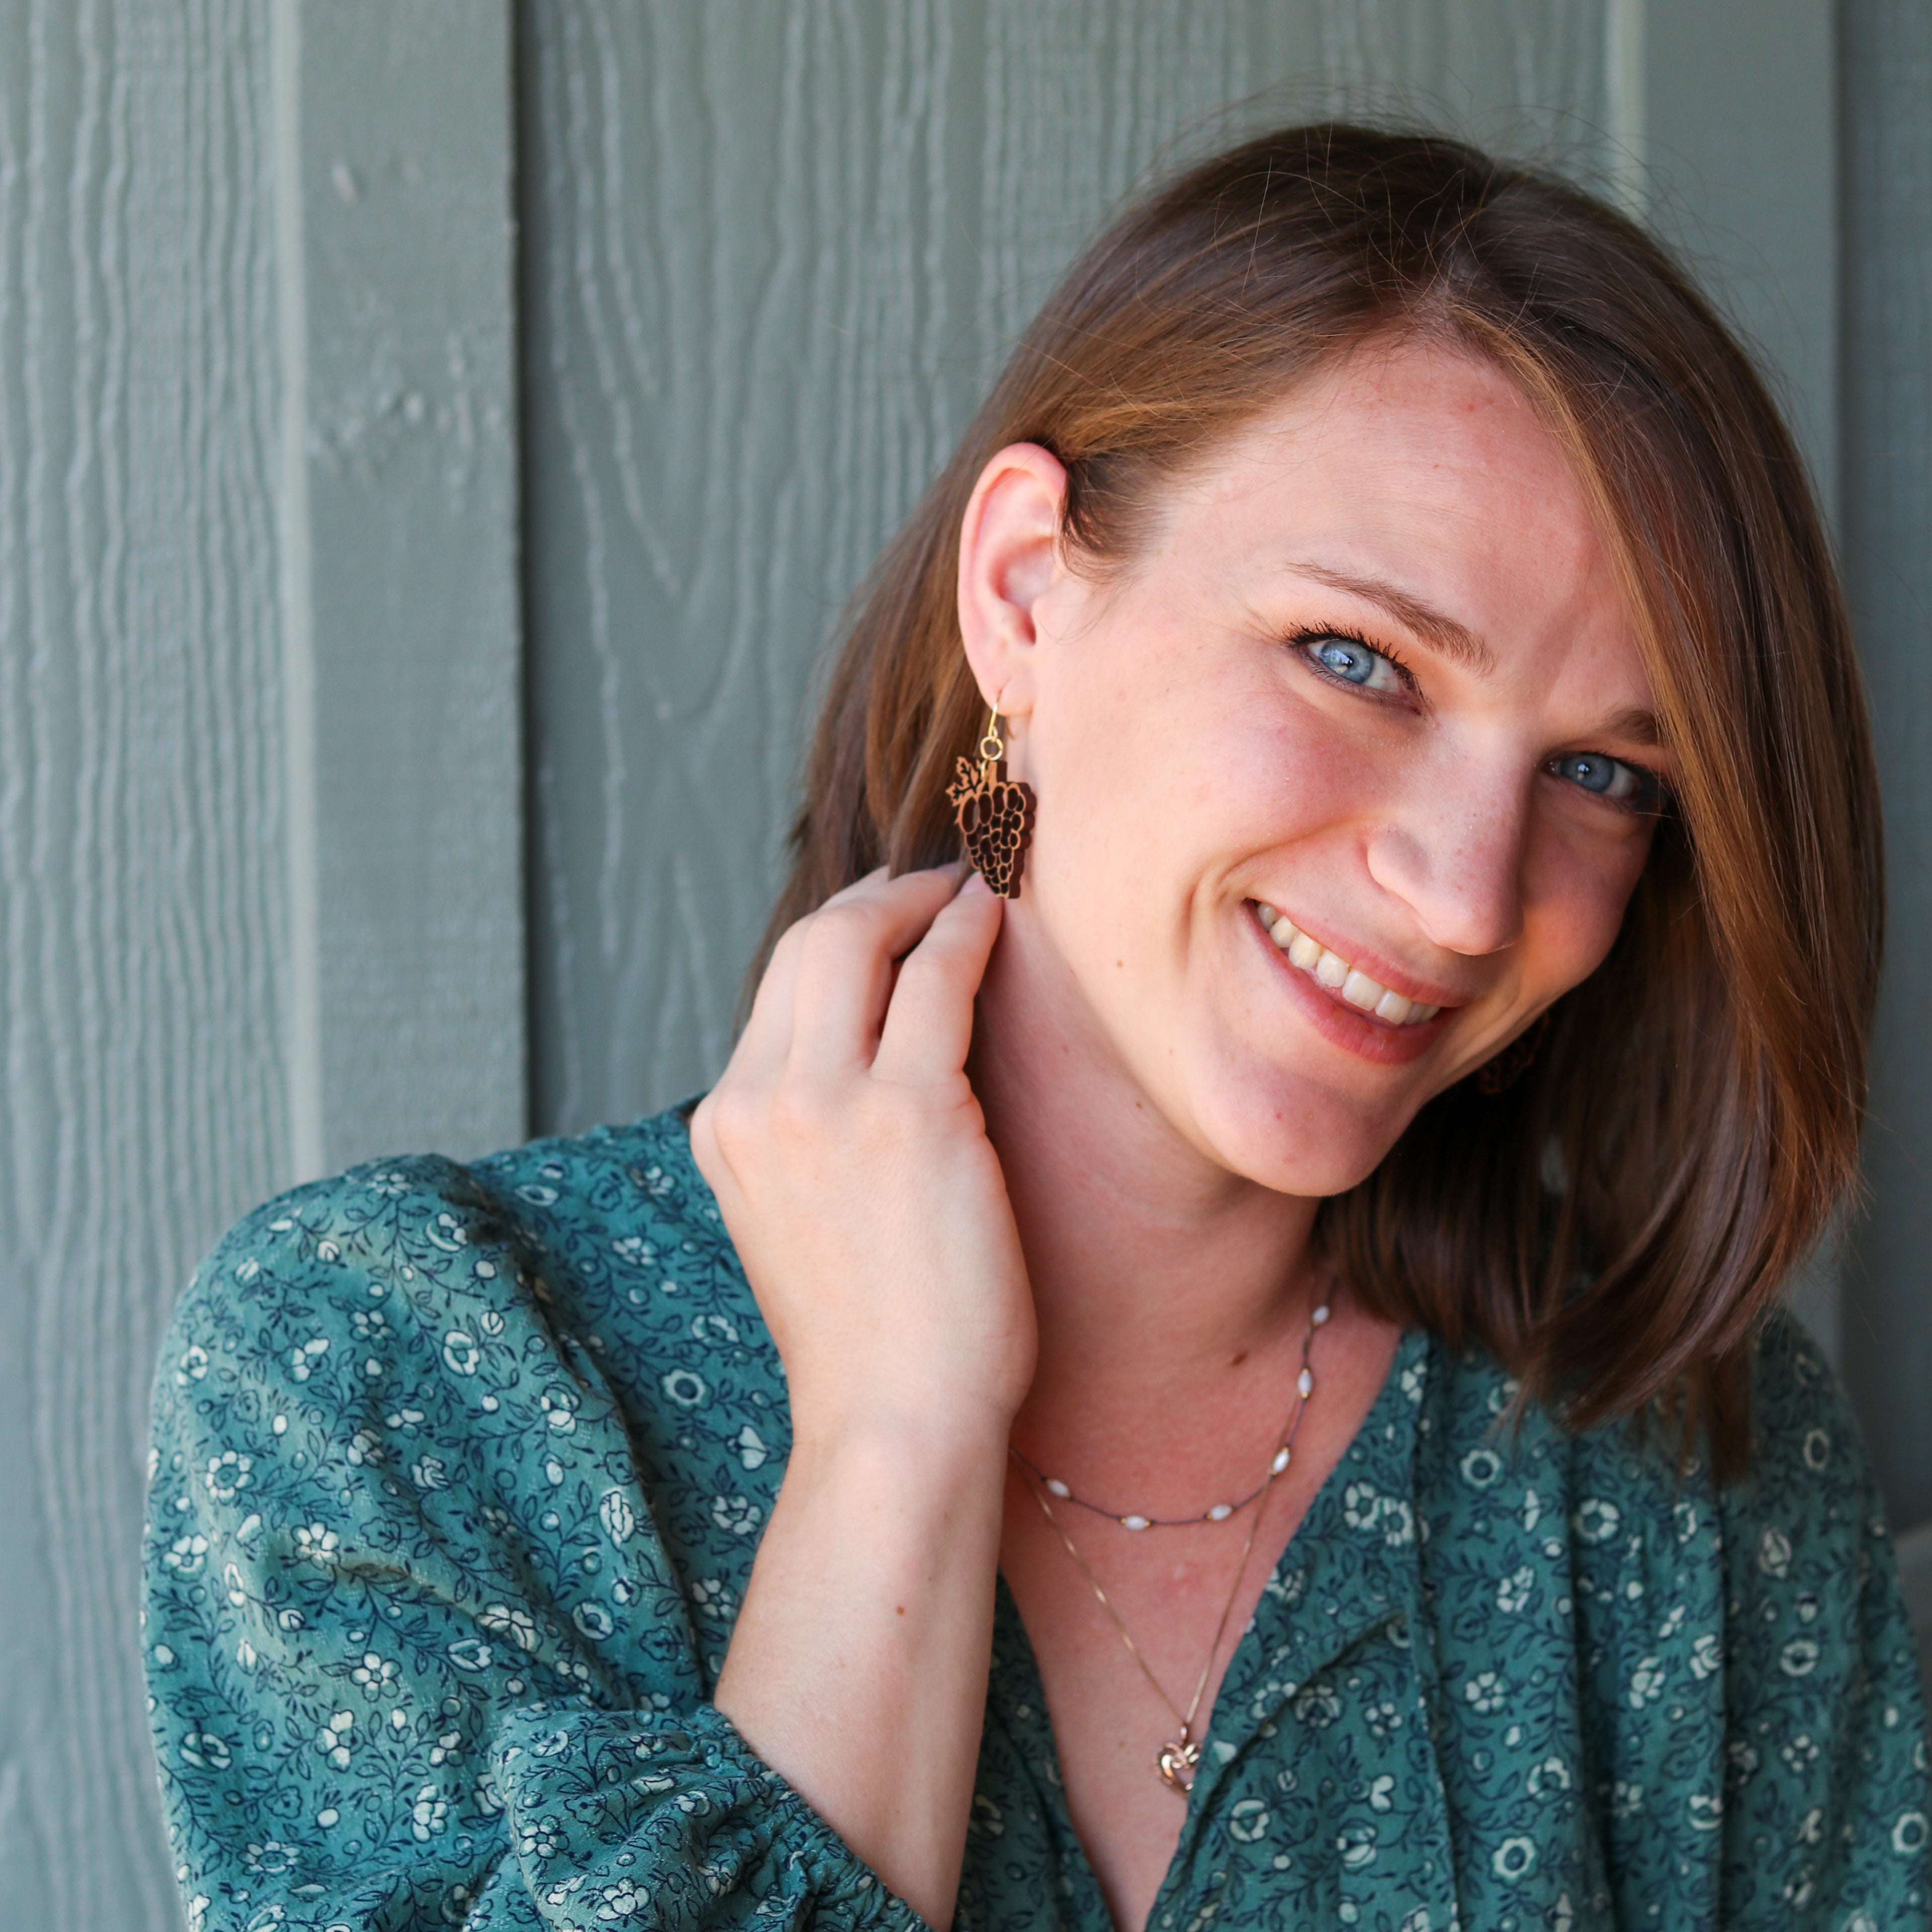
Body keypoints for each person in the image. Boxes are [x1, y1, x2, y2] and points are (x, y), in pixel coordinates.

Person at [144, 125, 1929, 1931]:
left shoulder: (1674, 1455)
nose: (1469, 894)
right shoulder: (404, 1387)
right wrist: (895, 1436)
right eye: (1358, 659)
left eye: (1606, 774)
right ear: (1022, 591)